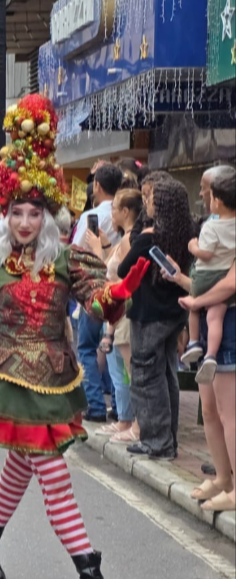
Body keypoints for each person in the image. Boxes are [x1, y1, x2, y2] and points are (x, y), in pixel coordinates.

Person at [0, 93, 149, 579]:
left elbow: (96, 300)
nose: (24, 221)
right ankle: (91, 575)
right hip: (11, 379)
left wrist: (117, 294)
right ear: (5, 215)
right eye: (16, 212)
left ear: (48, 214)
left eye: (34, 212)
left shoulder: (68, 258)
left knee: (24, 467)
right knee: (51, 474)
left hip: (57, 377)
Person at [119, 174, 196, 460]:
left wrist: (135, 238)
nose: (146, 202)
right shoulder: (186, 233)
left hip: (149, 314)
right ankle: (168, 439)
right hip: (175, 311)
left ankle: (156, 441)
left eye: (151, 198)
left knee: (146, 376)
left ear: (162, 204)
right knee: (167, 376)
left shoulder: (149, 238)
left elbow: (123, 270)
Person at [173, 263, 236, 512]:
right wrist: (182, 280)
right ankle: (223, 477)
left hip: (229, 321)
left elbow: (231, 283)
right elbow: (206, 282)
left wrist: (197, 303)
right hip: (209, 323)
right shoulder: (215, 226)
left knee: (229, 414)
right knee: (210, 410)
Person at [72, 162, 124, 422]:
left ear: (98, 186)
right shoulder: (125, 216)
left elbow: (76, 248)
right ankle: (118, 406)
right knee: (113, 349)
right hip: (119, 288)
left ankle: (94, 404)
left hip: (93, 287)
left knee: (86, 347)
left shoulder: (92, 216)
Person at [90, 189, 143, 442]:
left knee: (126, 371)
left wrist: (95, 249)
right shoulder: (123, 239)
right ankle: (126, 420)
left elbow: (116, 278)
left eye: (114, 209)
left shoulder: (129, 240)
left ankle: (130, 423)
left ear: (125, 212)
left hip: (122, 313)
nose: (109, 214)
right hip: (116, 313)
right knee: (120, 369)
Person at [180, 171, 236, 383]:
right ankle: (210, 355)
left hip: (206, 278)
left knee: (194, 309)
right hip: (224, 276)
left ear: (218, 201)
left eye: (208, 193)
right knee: (215, 318)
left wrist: (194, 247)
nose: (203, 195)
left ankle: (194, 342)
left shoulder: (211, 226)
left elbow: (206, 253)